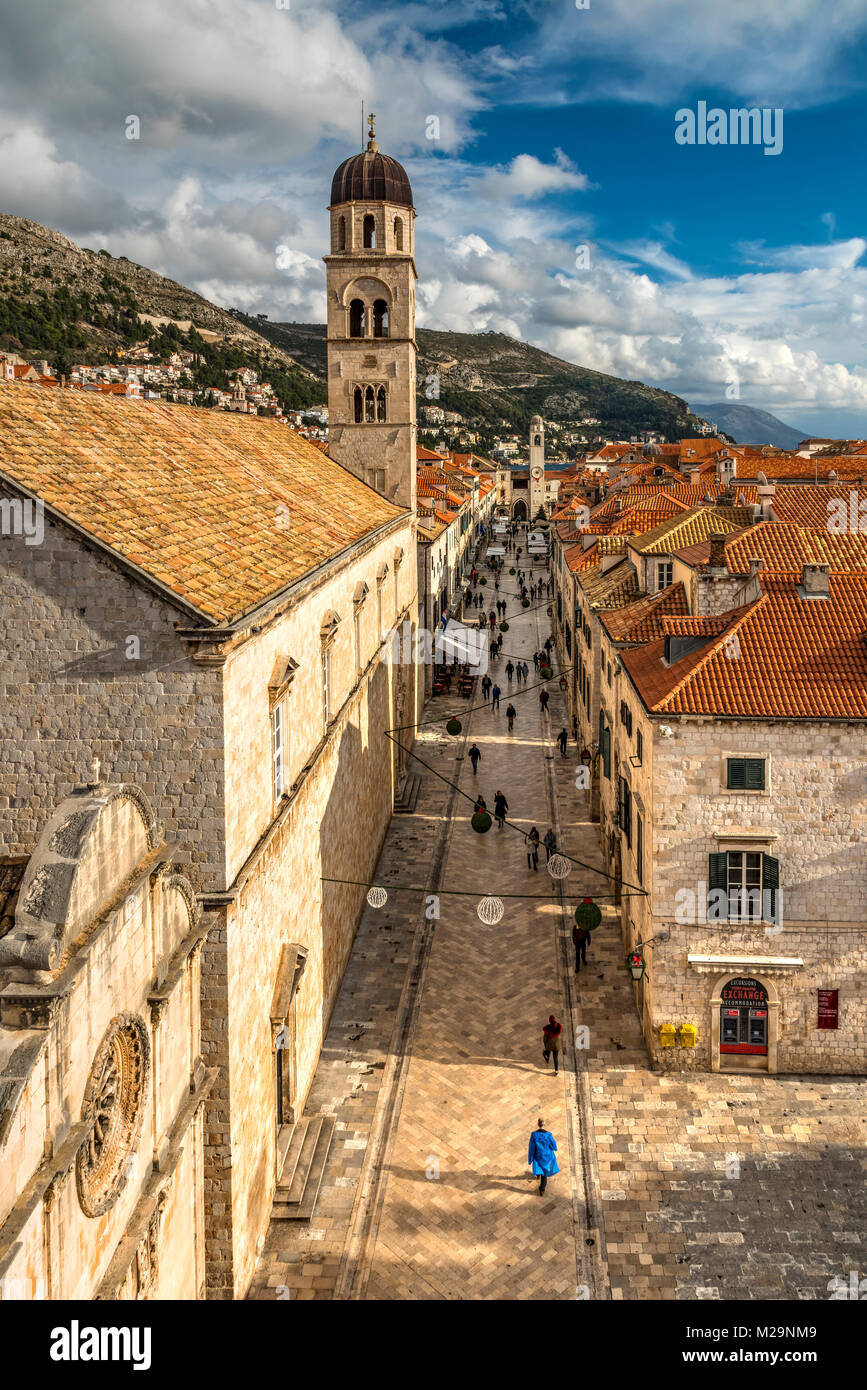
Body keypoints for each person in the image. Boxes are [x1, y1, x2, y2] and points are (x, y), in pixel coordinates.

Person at [527, 1118, 560, 1196]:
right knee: (545, 1174)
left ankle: (538, 1175)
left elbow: (531, 1147)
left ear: (538, 1124)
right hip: (547, 1157)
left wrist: (530, 1158)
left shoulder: (534, 1134)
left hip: (538, 1156)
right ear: (544, 1124)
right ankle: (542, 1190)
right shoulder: (548, 1135)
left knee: (539, 1167)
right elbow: (554, 1146)